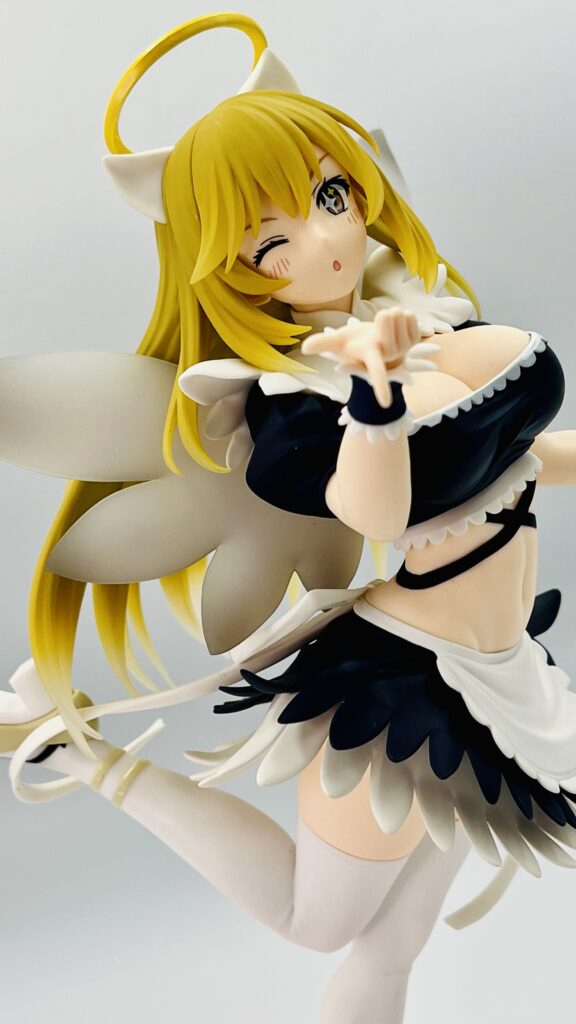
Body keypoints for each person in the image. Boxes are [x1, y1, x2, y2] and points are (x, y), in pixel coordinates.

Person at [2, 14, 576, 1023]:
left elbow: (523, 460)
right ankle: (87, 756)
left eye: (330, 196)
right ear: (228, 269)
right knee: (319, 921)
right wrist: (376, 404)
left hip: (504, 677)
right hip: (405, 696)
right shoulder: (291, 405)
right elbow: (371, 506)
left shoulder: (432, 316)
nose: (324, 242)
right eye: (271, 242)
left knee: (395, 943)